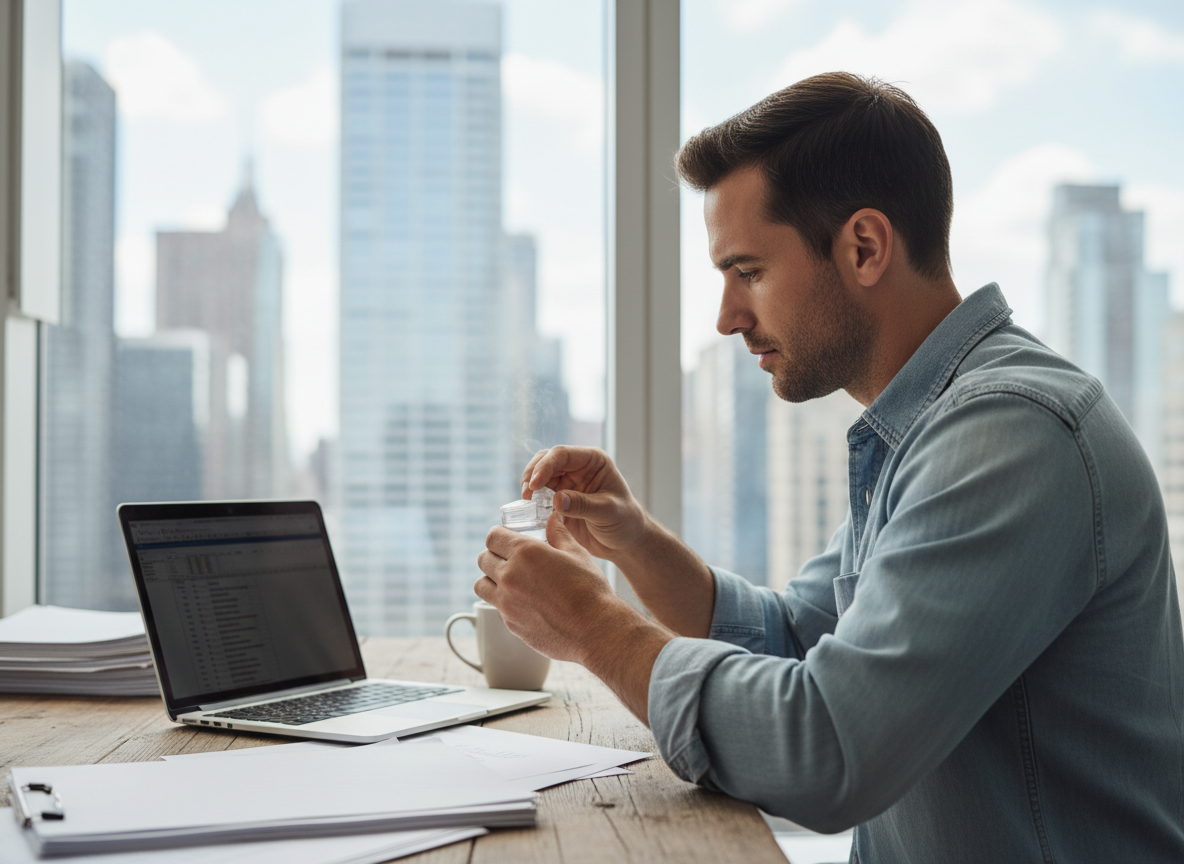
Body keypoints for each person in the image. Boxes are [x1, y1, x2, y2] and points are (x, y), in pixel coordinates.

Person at [475, 72, 1184, 863]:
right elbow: (790, 635)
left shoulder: (1010, 435)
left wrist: (593, 626)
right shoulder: (929, 428)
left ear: (865, 247)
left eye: (748, 272)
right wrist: (635, 543)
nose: (726, 317)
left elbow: (830, 748)